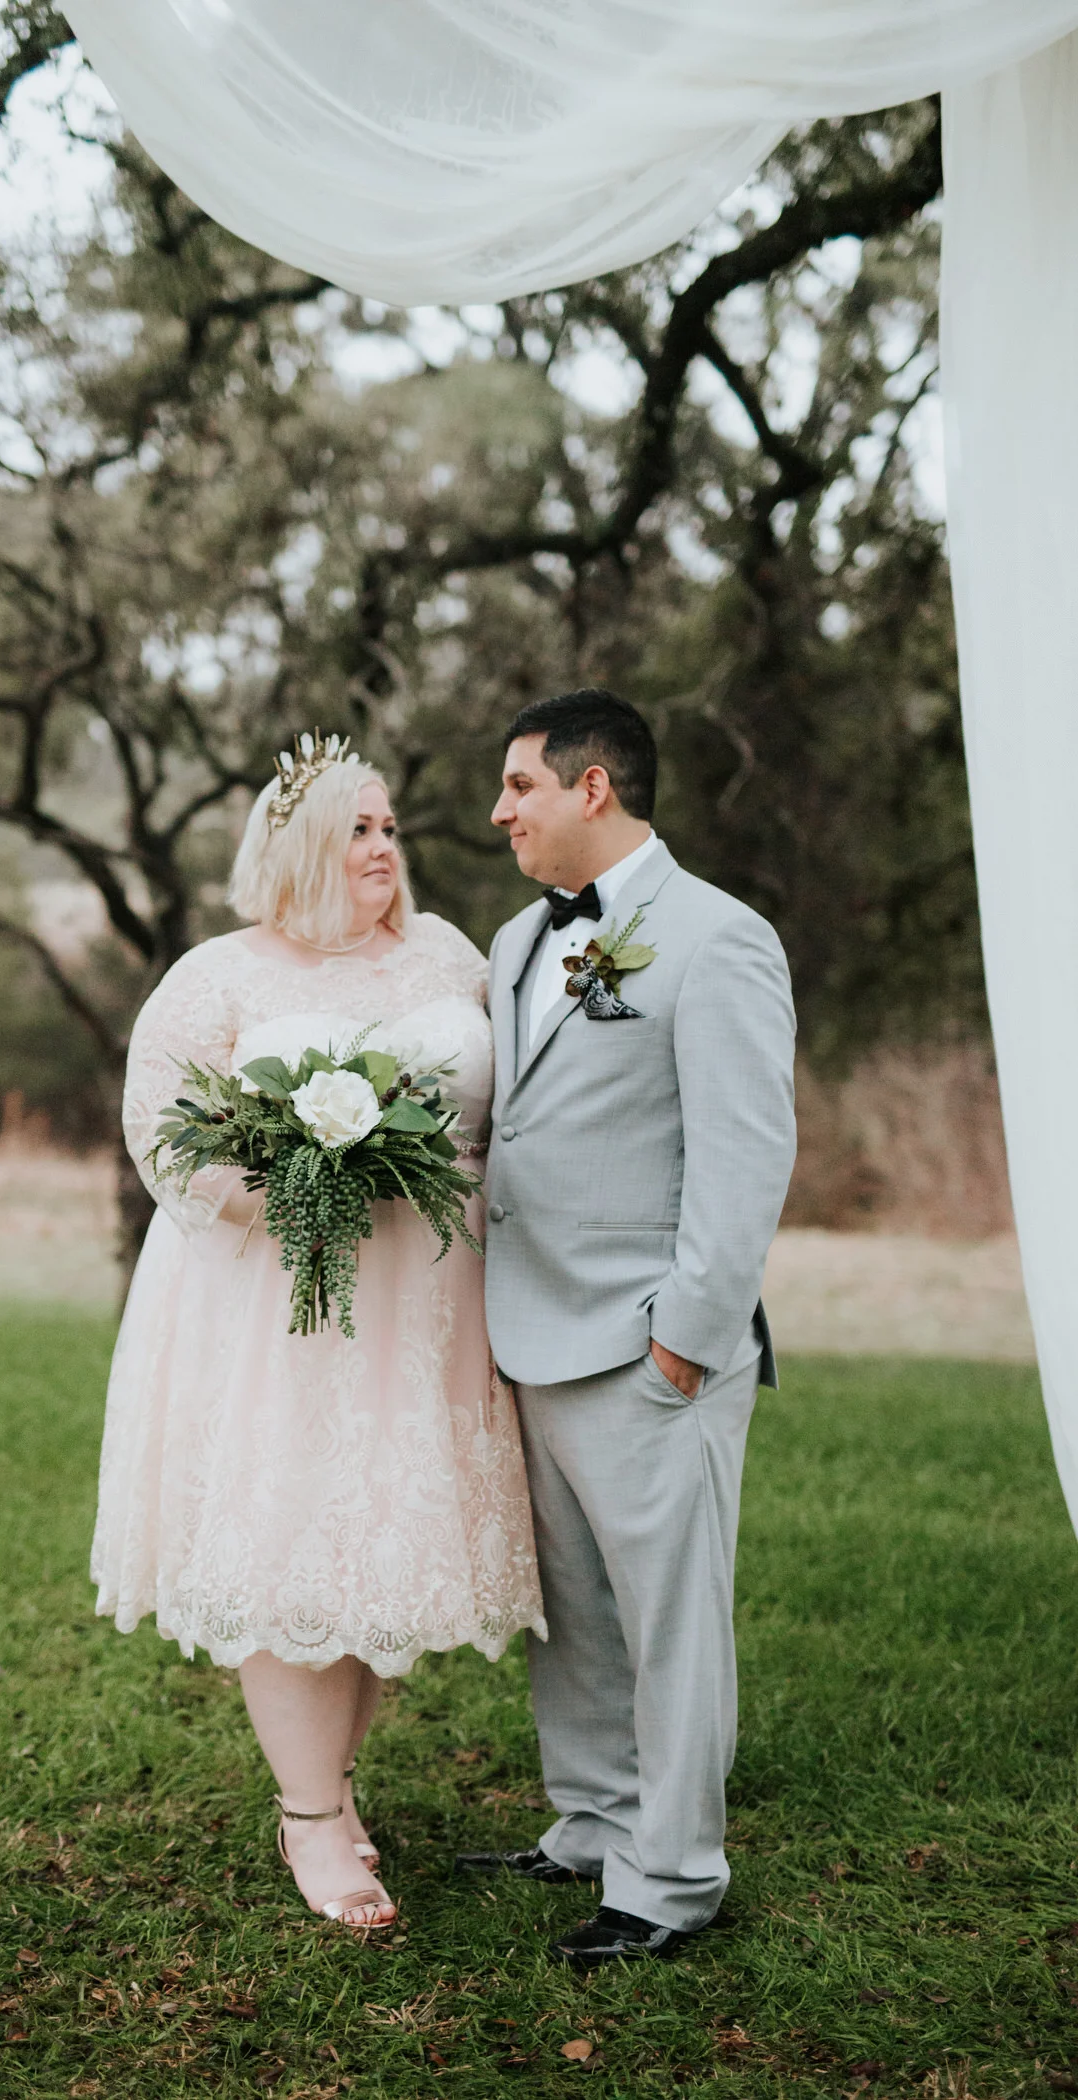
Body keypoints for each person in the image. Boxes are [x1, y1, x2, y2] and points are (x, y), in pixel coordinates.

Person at [92, 735, 545, 1934]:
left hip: (428, 1300)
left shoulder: (448, 955)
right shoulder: (217, 976)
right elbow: (160, 1135)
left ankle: (331, 1789)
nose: (385, 848)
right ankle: (308, 1818)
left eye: (391, 827)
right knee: (291, 1534)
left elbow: (508, 1113)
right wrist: (294, 1195)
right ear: (297, 845)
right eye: (359, 829)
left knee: (381, 1542)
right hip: (274, 1307)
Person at [458, 688, 797, 1968]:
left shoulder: (716, 939)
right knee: (573, 1616)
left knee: (669, 1623)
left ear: (591, 787)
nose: (499, 811)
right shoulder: (508, 942)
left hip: (649, 1345)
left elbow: (744, 1150)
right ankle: (592, 1825)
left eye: (518, 787)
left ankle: (671, 1881)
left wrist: (685, 1336)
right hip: (527, 1330)